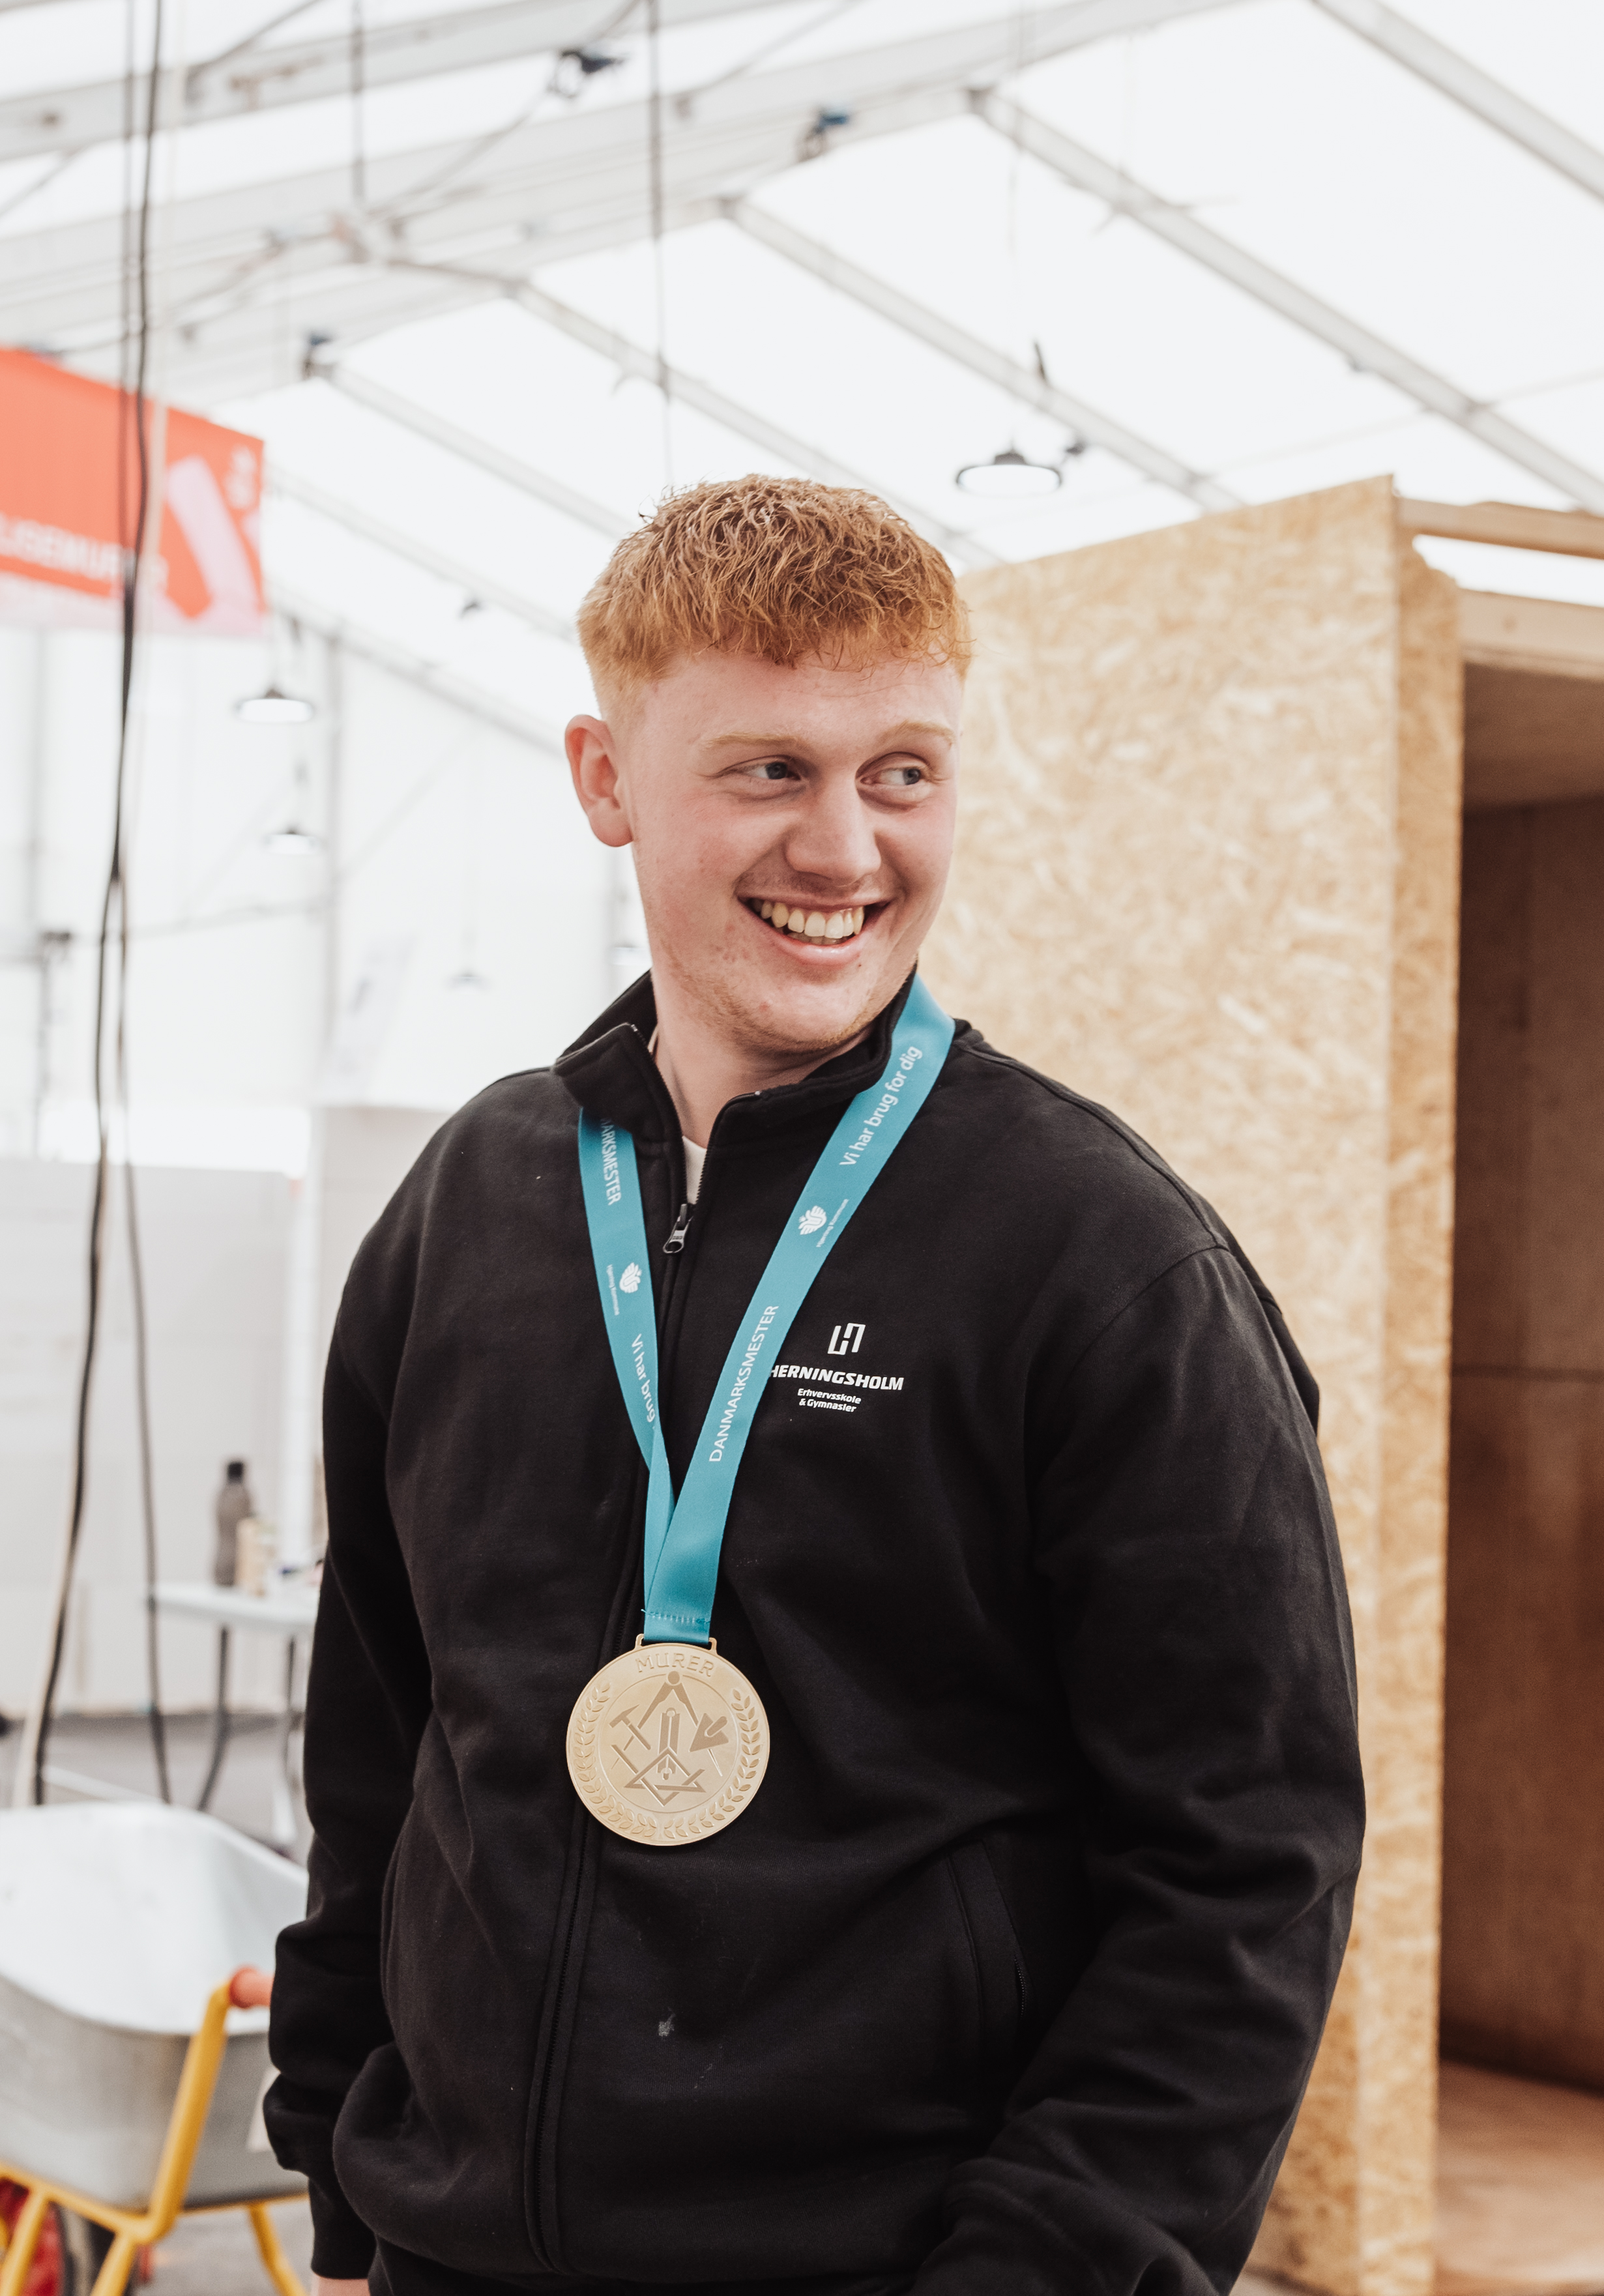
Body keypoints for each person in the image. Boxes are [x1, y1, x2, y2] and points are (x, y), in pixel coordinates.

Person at [267, 477, 1363, 2296]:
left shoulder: (1103, 1257)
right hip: (450, 2252)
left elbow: (1249, 1860)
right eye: (769, 768)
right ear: (607, 778)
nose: (846, 848)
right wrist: (343, 2153)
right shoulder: (470, 1205)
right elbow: (380, 1727)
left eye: (903, 772)